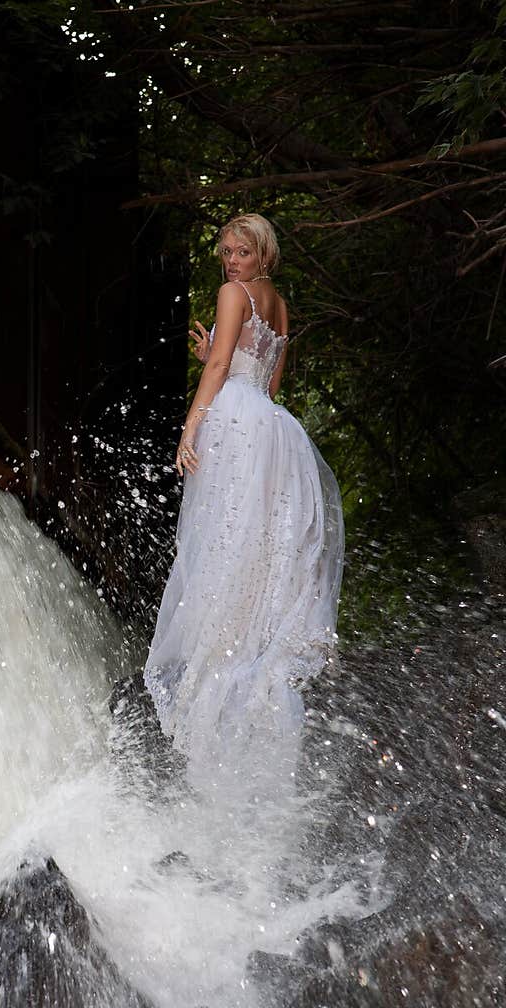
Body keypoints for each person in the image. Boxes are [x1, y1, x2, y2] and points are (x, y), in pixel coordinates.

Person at [142, 213, 345, 794]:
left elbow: (219, 367)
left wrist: (191, 423)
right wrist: (221, 354)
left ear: (263, 254)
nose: (231, 262)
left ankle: (211, 668)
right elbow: (269, 384)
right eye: (227, 252)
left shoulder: (233, 295)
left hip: (233, 423)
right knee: (250, 544)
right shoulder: (278, 306)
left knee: (218, 541)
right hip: (274, 432)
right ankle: (242, 663)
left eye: (242, 252)